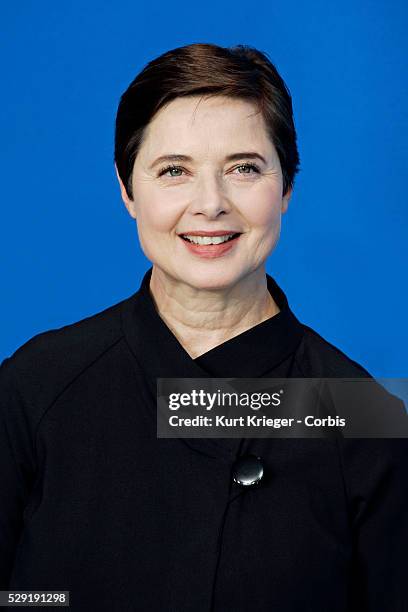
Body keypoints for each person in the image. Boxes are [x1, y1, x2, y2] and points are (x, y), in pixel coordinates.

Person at [0, 42, 407, 611]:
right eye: (174, 171)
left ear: (286, 188)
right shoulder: (36, 384)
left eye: (244, 169)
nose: (210, 204)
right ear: (127, 190)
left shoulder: (364, 414)